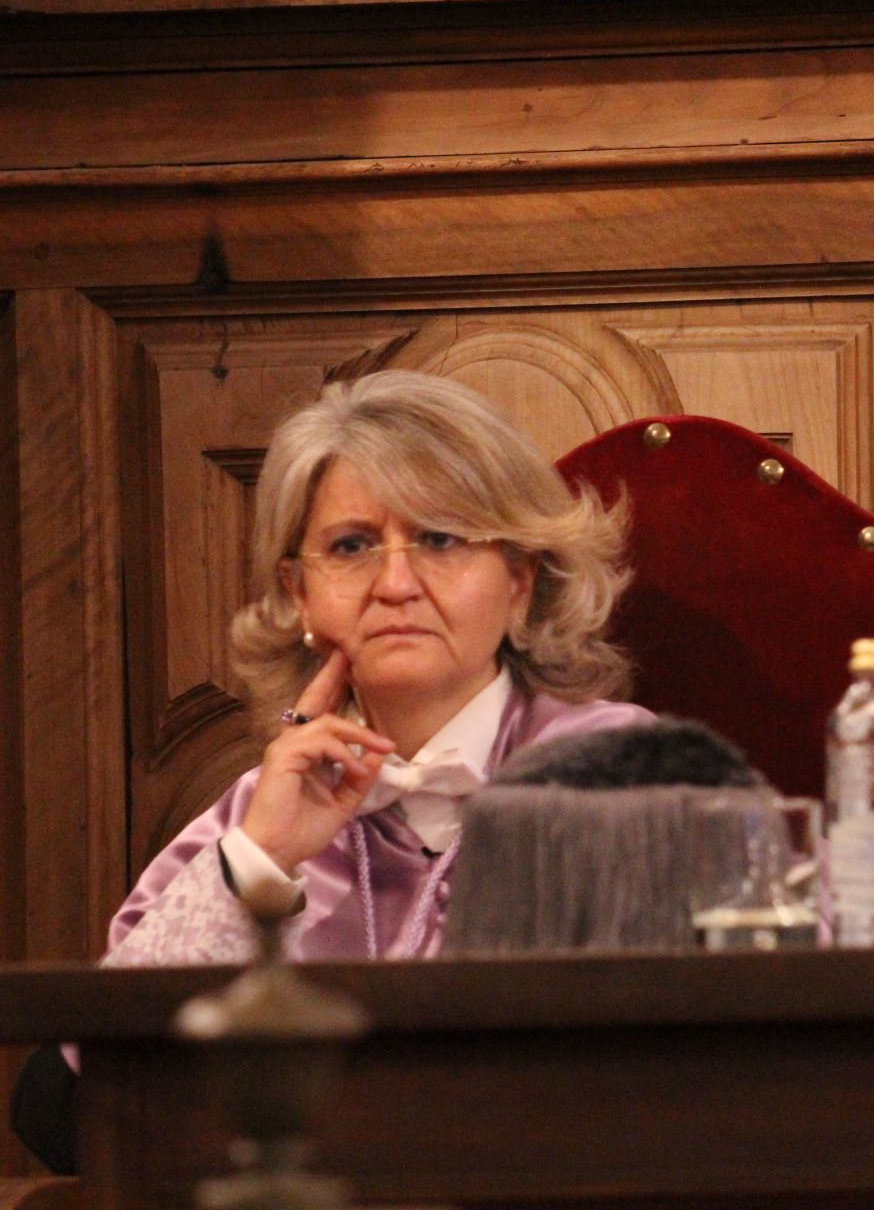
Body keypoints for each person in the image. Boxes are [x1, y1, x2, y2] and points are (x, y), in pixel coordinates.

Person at [105, 369, 652, 965]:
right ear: (300, 595)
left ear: (520, 580)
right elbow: (103, 1048)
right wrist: (261, 860)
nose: (395, 585)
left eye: (440, 539)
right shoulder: (266, 807)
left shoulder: (622, 776)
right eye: (351, 546)